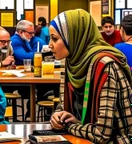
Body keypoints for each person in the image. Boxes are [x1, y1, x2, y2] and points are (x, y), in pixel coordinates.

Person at [49, 9, 132, 143]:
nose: (50, 45)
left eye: (55, 39)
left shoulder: (105, 66)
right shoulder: (71, 62)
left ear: (74, 36)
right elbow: (65, 105)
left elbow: (102, 134)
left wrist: (69, 125)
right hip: (80, 138)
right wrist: (57, 116)